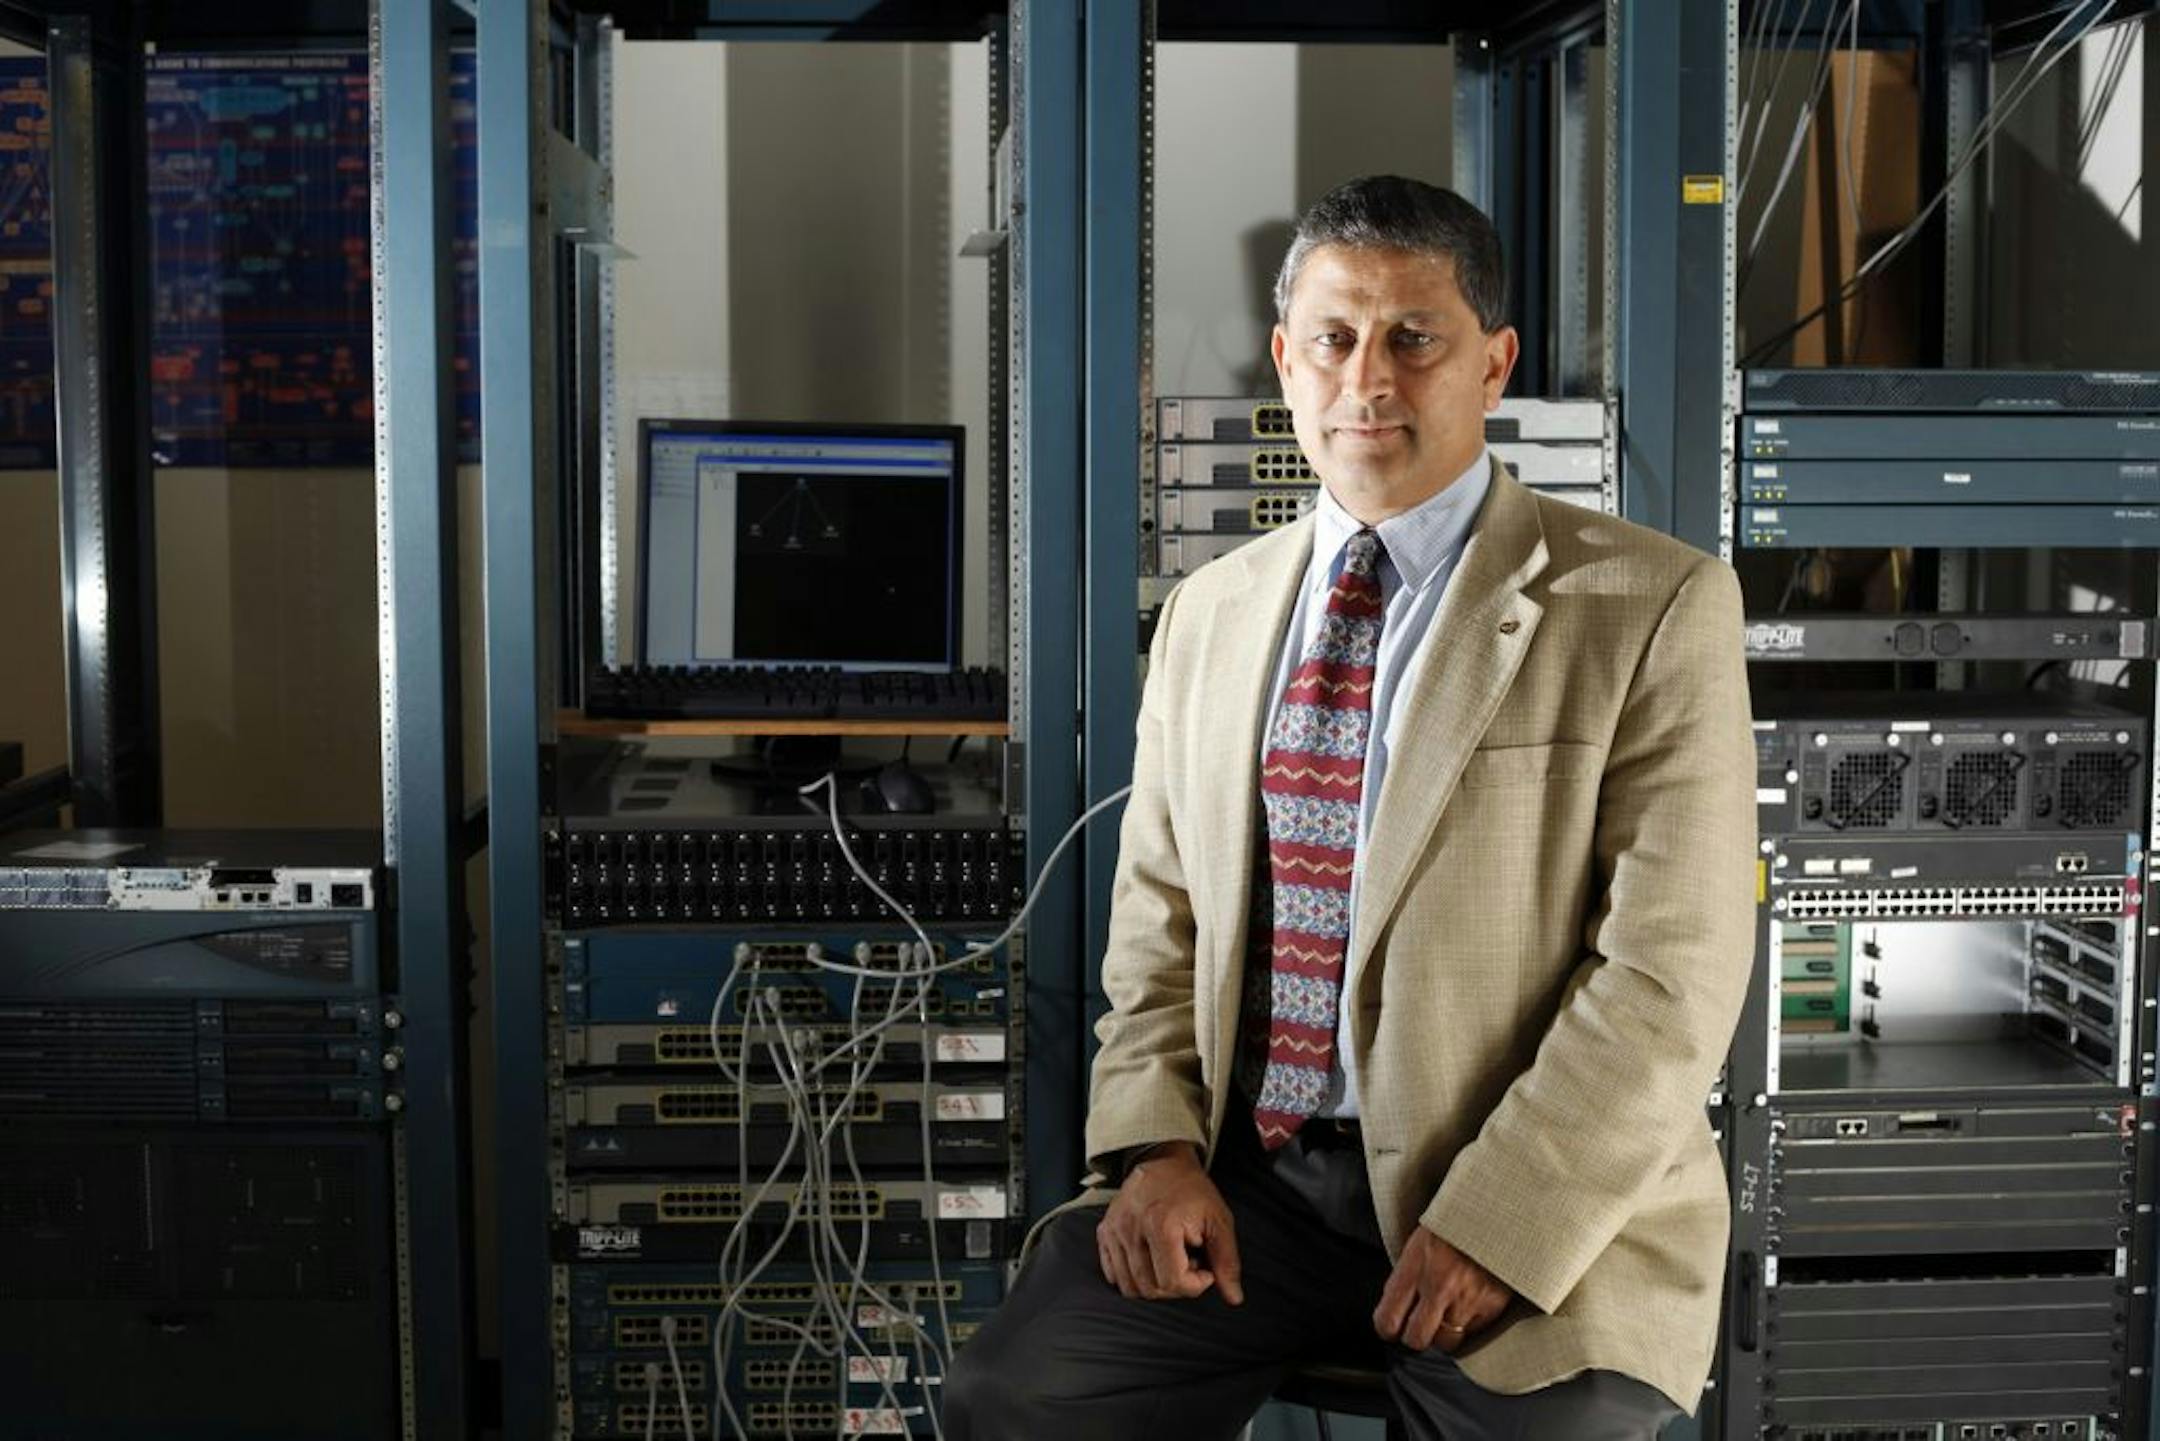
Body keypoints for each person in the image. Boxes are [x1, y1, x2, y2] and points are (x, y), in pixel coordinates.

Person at [944, 175, 1756, 1440]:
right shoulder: (1211, 612)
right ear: (1285, 359)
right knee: (1016, 1394)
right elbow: (1158, 925)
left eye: (1412, 339)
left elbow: (1672, 972)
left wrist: (1501, 1220)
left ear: (1492, 366)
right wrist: (1154, 1148)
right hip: (1258, 1188)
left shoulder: (1649, 604)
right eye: (1333, 338)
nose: (1366, 379)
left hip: (1530, 1190)